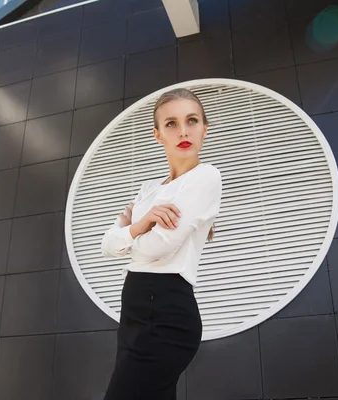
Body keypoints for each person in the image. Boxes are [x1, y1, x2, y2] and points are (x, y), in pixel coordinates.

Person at [101, 88, 223, 400]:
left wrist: (130, 239)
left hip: (166, 310)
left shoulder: (206, 176)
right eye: (171, 123)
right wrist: (142, 225)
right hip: (135, 311)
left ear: (204, 129)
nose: (183, 131)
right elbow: (107, 244)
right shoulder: (148, 190)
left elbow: (158, 247)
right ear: (158, 135)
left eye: (192, 120)